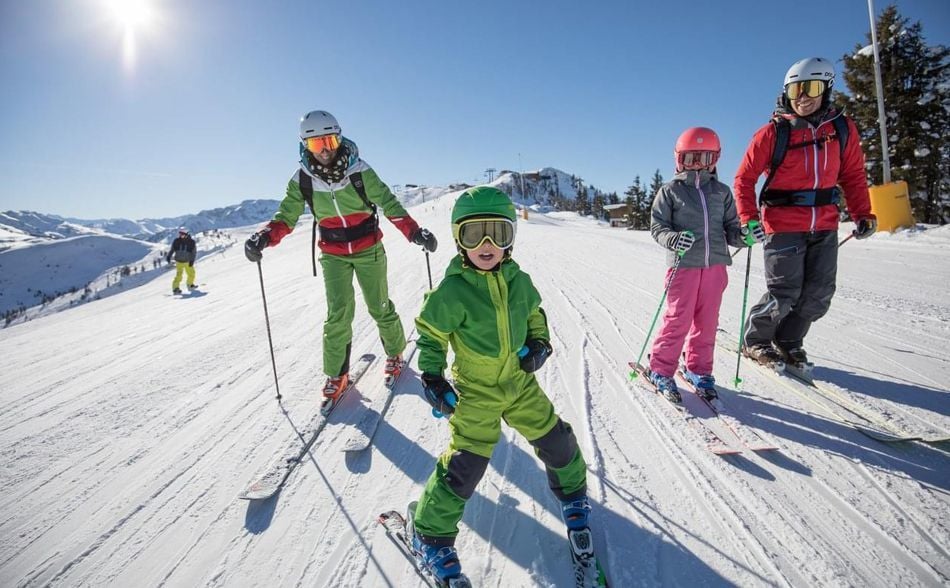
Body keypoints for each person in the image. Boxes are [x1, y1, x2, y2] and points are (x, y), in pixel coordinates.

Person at [408, 186, 590, 585]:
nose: (487, 245)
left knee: (558, 440)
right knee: (465, 465)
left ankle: (574, 496)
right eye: (475, 234)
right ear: (459, 239)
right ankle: (429, 533)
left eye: (498, 233)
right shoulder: (452, 291)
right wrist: (433, 375)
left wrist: (539, 343)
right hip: (476, 392)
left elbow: (535, 314)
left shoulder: (519, 281)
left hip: (519, 384)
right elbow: (431, 335)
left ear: (511, 237)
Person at [244, 110, 437, 408]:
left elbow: (388, 202)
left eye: (329, 142)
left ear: (339, 138)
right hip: (333, 253)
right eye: (315, 144)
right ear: (305, 146)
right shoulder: (302, 180)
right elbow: (286, 216)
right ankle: (337, 374)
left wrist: (414, 232)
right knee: (338, 313)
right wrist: (265, 237)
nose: (324, 151)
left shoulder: (359, 171)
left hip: (368, 248)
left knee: (379, 305)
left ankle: (395, 354)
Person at [734, 57, 877, 369]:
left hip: (824, 223)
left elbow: (853, 175)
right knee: (784, 292)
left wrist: (862, 213)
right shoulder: (773, 133)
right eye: (795, 90)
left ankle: (788, 340)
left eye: (810, 88)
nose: (802, 97)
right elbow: (744, 178)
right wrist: (749, 218)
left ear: (826, 88)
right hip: (782, 224)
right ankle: (756, 340)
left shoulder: (842, 129)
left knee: (819, 293)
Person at [647, 127, 746, 402]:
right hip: (684, 266)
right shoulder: (670, 191)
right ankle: (660, 369)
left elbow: (732, 229)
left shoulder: (722, 192)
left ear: (715, 159)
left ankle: (698, 369)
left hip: (715, 267)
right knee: (678, 319)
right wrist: (673, 239)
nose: (698, 164)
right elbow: (658, 227)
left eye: (705, 157)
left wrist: (745, 237)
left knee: (708, 321)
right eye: (691, 158)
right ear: (679, 159)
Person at [166, 227, 197, 294]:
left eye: (182, 234)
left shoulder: (191, 242)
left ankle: (190, 284)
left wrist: (192, 261)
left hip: (187, 261)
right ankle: (175, 288)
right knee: (179, 276)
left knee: (191, 274)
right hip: (179, 261)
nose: (181, 235)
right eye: (180, 234)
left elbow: (193, 252)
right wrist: (169, 256)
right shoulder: (176, 241)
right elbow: (172, 249)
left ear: (186, 234)